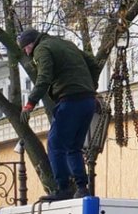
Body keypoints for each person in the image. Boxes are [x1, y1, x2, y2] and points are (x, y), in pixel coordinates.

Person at [17, 28, 100, 201]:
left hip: (70, 100)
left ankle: (63, 188)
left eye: (25, 48)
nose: (26, 52)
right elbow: (93, 63)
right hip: (88, 101)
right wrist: (91, 86)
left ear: (30, 44)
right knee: (73, 147)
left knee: (55, 144)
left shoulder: (42, 49)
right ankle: (82, 188)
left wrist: (30, 103)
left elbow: (44, 77)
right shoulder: (66, 44)